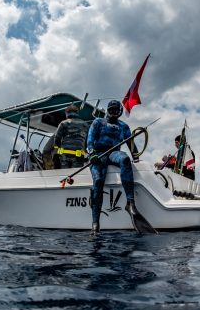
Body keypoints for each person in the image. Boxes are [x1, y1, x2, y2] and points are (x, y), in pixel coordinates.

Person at [86, 100, 138, 234]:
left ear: (120, 112)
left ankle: (130, 202)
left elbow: (131, 144)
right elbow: (90, 139)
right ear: (107, 110)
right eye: (111, 109)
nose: (113, 112)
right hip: (98, 154)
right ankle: (95, 223)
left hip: (114, 153)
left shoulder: (123, 126)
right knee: (98, 181)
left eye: (116, 110)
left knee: (125, 159)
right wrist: (91, 152)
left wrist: (136, 157)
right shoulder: (98, 122)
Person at [54, 104, 90, 169]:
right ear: (77, 113)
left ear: (67, 113)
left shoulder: (63, 123)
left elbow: (57, 139)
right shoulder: (86, 125)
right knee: (75, 176)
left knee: (65, 176)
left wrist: (58, 149)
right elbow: (87, 142)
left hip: (65, 155)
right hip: (79, 156)